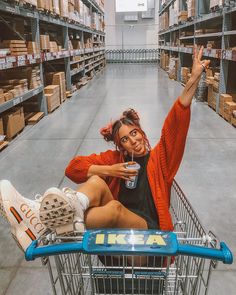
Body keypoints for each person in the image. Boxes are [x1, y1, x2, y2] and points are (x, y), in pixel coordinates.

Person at [0, 46, 210, 253]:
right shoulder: (115, 159)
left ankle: (42, 224)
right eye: (125, 139)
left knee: (114, 208)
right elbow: (73, 169)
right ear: (121, 146)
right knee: (96, 182)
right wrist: (110, 171)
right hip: (116, 239)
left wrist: (193, 79)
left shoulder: (160, 160)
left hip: (150, 242)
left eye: (134, 133)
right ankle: (48, 222)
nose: (133, 141)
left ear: (141, 131)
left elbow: (175, 125)